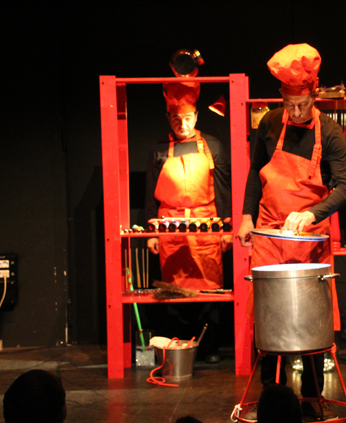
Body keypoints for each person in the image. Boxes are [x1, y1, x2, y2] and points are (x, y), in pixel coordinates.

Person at [238, 43, 346, 422]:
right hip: (270, 236)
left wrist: (311, 213)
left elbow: (345, 188)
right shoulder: (270, 124)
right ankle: (273, 397)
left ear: (314, 95)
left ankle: (311, 396)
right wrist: (246, 216)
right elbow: (255, 173)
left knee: (311, 319)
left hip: (309, 239)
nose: (296, 112)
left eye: (302, 104)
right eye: (289, 105)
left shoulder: (330, 132)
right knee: (270, 317)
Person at [145, 81, 232, 363]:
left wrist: (226, 229)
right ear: (168, 118)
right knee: (174, 290)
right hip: (169, 224)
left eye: (187, 118)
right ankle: (177, 346)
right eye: (175, 118)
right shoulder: (158, 149)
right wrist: (151, 232)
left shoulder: (212, 146)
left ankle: (209, 347)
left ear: (196, 116)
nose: (182, 124)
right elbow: (150, 193)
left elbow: (223, 190)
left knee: (209, 287)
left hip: (206, 223)